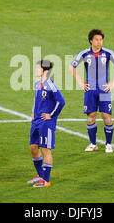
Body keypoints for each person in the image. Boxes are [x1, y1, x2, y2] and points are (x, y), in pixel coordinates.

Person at [69, 29, 114, 153]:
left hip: (104, 90)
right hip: (90, 91)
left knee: (107, 117)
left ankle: (108, 144)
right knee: (91, 117)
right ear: (91, 41)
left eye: (101, 40)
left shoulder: (108, 53)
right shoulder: (84, 53)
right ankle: (93, 144)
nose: (99, 42)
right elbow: (71, 66)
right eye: (97, 40)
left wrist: (113, 83)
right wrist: (80, 82)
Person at [28, 60, 65, 188]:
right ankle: (40, 175)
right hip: (36, 121)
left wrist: (51, 115)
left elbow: (61, 102)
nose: (36, 70)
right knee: (33, 148)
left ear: (45, 70)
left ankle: (46, 181)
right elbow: (36, 99)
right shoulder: (37, 84)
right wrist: (33, 111)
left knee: (46, 150)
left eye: (38, 68)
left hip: (46, 122)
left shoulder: (50, 85)